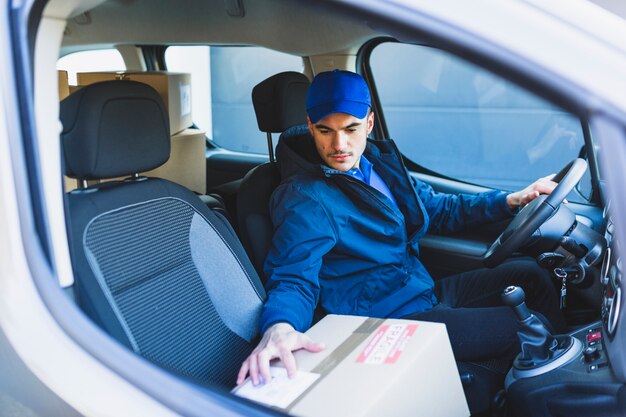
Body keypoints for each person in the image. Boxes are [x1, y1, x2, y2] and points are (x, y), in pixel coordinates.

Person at [237, 70, 566, 395]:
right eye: (325, 131)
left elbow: (436, 208)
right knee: (525, 329)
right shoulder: (305, 197)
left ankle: (547, 381)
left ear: (368, 122)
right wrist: (280, 326)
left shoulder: (377, 164)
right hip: (386, 320)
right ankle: (538, 396)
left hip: (419, 290)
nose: (339, 144)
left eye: (350, 128)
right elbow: (293, 275)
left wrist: (510, 200)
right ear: (310, 126)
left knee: (532, 276)